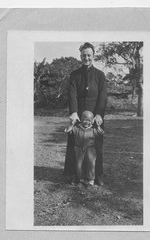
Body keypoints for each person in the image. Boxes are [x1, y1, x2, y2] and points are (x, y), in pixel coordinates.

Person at [64, 42, 108, 185]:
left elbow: (103, 96)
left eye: (89, 55)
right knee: (74, 146)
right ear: (80, 56)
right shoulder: (74, 75)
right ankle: (73, 175)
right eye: (84, 55)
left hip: (95, 116)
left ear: (93, 56)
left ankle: (98, 176)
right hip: (78, 116)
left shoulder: (100, 75)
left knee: (96, 147)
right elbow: (72, 94)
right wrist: (74, 113)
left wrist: (99, 114)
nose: (86, 58)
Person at [65, 110, 104, 186]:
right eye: (85, 120)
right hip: (78, 148)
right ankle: (80, 178)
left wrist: (98, 126)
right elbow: (68, 131)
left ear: (92, 120)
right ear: (81, 119)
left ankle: (91, 179)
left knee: (91, 163)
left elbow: (101, 133)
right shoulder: (77, 128)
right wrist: (71, 124)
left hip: (90, 149)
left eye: (89, 120)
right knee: (79, 164)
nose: (87, 122)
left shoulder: (93, 129)